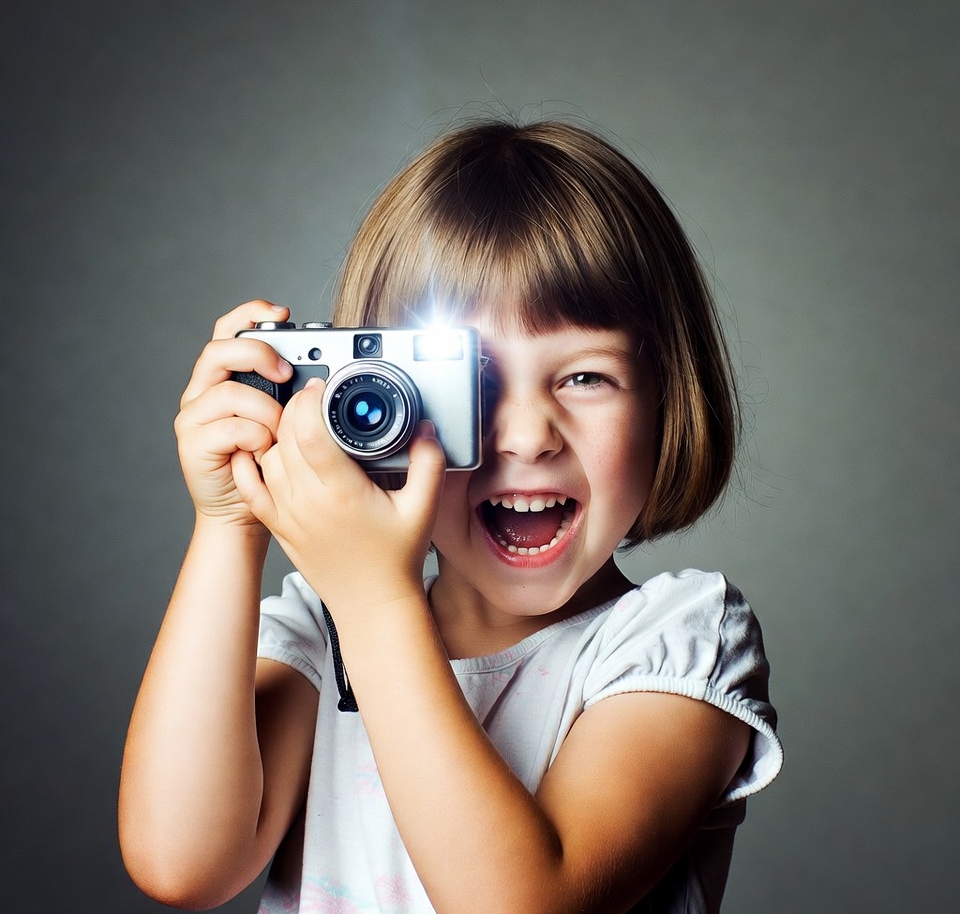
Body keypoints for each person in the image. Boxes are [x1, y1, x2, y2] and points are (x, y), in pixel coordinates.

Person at [118, 119, 783, 913]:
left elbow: (526, 903)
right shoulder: (321, 635)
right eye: (472, 380)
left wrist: (375, 600)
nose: (530, 435)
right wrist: (229, 526)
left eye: (584, 378)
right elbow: (180, 863)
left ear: (668, 399)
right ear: (373, 399)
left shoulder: (677, 643)